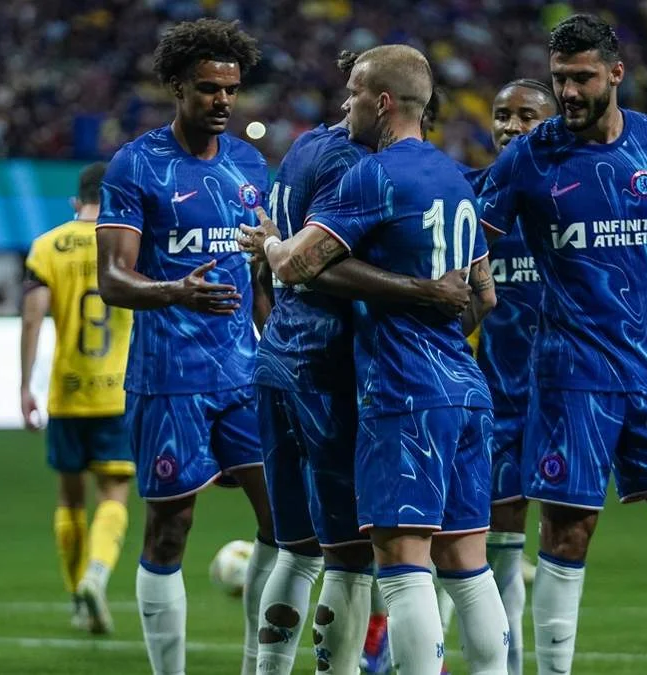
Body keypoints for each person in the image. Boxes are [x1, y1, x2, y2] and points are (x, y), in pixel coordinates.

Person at [477, 15, 647, 675]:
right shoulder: (527, 159)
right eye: (560, 78)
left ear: (616, 74)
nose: (568, 92)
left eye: (582, 78)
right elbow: (469, 250)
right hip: (571, 376)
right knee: (567, 533)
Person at [240, 44, 509, 675]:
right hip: (462, 384)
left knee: (357, 558)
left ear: (381, 101)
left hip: (375, 383)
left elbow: (295, 265)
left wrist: (271, 243)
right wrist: (431, 306)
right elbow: (482, 296)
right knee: (467, 567)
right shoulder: (455, 176)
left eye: (354, 93)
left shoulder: (347, 164)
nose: (345, 105)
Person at [94, 19, 276, 675]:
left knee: (285, 522)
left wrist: (278, 347)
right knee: (170, 529)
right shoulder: (136, 165)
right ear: (177, 86)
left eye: (231, 89)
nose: (222, 100)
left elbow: (260, 275)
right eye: (207, 89)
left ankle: (260, 665)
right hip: (169, 377)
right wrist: (175, 291)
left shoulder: (249, 164)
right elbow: (112, 278)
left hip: (245, 375)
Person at [466, 77, 557, 675]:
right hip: (496, 399)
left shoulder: (575, 196)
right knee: (494, 538)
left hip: (566, 396)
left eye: (527, 116)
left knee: (562, 539)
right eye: (502, 115)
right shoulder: (470, 197)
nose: (511, 127)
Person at [20, 162, 133, 635]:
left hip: (66, 392)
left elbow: (33, 317)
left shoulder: (47, 246)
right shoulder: (129, 243)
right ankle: (97, 575)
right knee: (115, 493)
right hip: (118, 391)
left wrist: (25, 386)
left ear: (76, 201)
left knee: (70, 499)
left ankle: (77, 599)